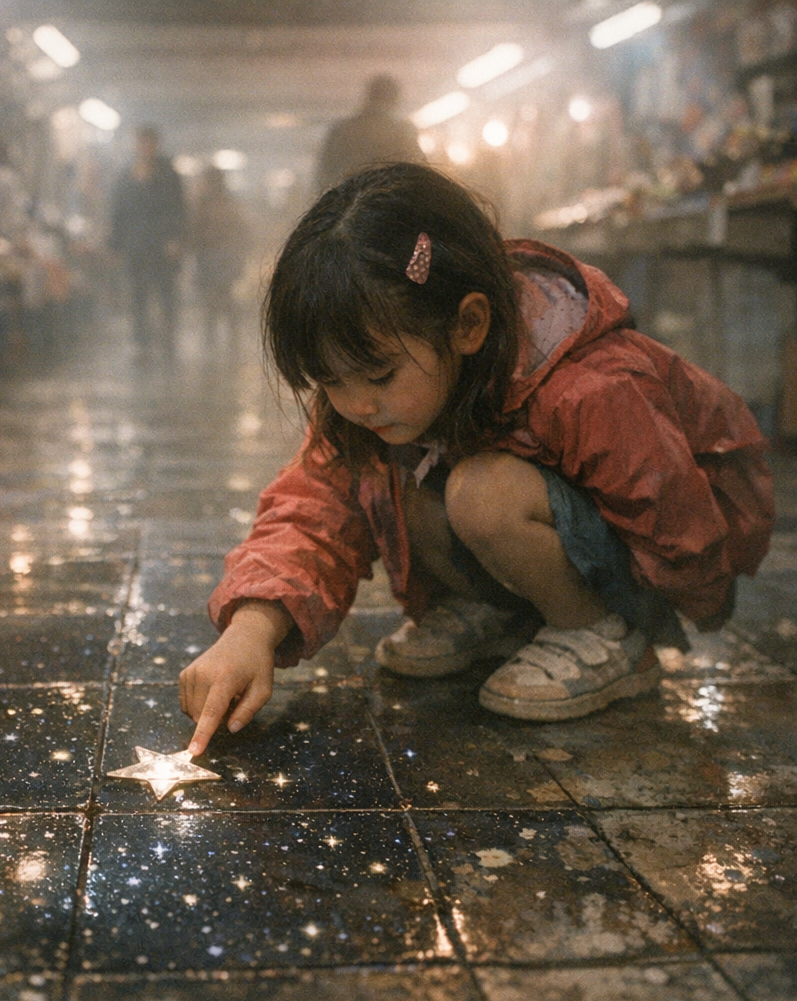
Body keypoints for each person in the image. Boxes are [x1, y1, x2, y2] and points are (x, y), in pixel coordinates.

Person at [179, 162, 775, 754]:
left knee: (481, 493)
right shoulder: (375, 406)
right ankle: (496, 611)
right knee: (387, 471)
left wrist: (680, 608)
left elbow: (673, 512)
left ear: (468, 324)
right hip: (558, 541)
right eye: (331, 381)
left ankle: (601, 634)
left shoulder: (591, 384)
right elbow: (312, 508)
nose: (356, 402)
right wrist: (251, 629)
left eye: (379, 374)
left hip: (648, 562)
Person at [109, 125, 186, 351]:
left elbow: (178, 208)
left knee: (166, 295)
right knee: (138, 296)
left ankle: (168, 340)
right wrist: (116, 244)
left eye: (149, 142)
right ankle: (141, 343)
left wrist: (175, 238)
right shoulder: (125, 175)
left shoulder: (168, 173)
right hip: (135, 246)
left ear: (155, 144)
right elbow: (118, 211)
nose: (145, 147)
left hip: (162, 245)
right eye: (141, 142)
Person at [314, 74, 423, 196]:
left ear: (368, 97)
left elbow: (325, 171)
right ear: (395, 99)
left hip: (347, 202)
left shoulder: (341, 130)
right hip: (390, 201)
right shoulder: (403, 130)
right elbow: (416, 170)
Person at [190, 166, 250, 347]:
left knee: (213, 300)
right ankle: (229, 337)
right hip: (222, 258)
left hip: (214, 258)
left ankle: (215, 338)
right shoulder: (228, 202)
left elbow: (195, 233)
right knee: (223, 298)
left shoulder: (204, 204)